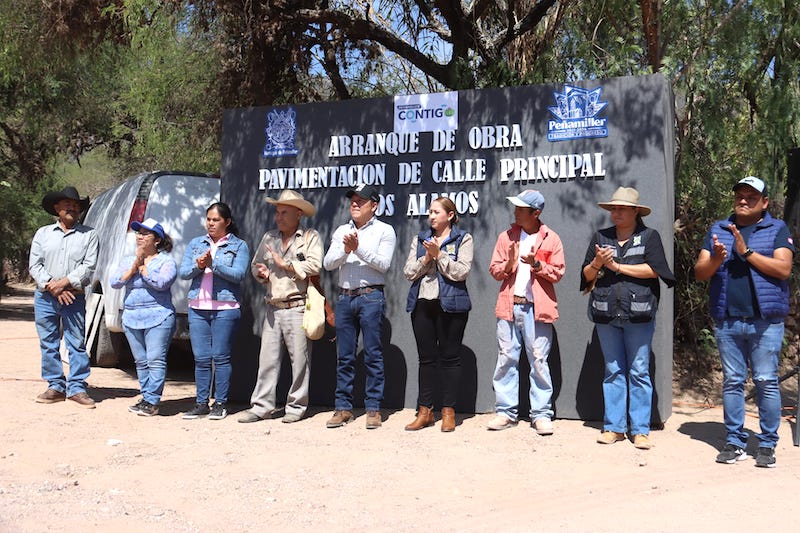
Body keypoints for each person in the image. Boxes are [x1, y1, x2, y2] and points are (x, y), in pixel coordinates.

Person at [694, 176, 793, 468]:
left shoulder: (776, 228)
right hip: (728, 320)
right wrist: (717, 258)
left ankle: (767, 444)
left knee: (766, 381)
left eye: (751, 196)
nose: (744, 200)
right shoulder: (718, 229)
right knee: (733, 381)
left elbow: (783, 268)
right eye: (740, 194)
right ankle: (735, 441)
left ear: (764, 203)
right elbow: (701, 271)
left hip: (765, 322)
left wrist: (746, 253)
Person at [581, 186, 675, 450]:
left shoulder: (649, 237)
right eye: (613, 208)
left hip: (639, 315)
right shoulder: (600, 237)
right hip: (606, 314)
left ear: (635, 211)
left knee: (639, 371)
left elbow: (655, 271)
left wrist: (617, 267)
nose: (616, 212)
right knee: (613, 371)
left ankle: (641, 430)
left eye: (622, 208)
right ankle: (614, 427)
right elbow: (586, 276)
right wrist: (598, 263)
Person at [238, 190, 323, 424]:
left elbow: (316, 265)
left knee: (300, 362)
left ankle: (296, 407)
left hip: (297, 306)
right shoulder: (269, 237)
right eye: (277, 212)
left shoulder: (309, 236)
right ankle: (261, 406)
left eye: (284, 212)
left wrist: (285, 264)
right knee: (267, 361)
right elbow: (256, 265)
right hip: (273, 307)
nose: (279, 217)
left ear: (298, 214)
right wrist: (262, 273)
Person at [487, 190, 565, 434]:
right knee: (506, 359)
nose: (515, 212)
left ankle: (541, 414)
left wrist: (537, 265)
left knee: (539, 361)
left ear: (535, 213)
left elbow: (558, 272)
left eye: (521, 208)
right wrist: (509, 265)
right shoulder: (506, 236)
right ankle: (505, 412)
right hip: (509, 307)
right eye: (516, 207)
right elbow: (494, 269)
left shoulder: (551, 238)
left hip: (537, 309)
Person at [323, 184, 396, 429]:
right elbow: (328, 263)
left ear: (374, 206)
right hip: (344, 298)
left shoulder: (385, 230)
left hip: (371, 297)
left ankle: (373, 409)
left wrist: (358, 249)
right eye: (353, 200)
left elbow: (383, 264)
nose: (355, 204)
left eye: (361, 201)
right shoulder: (342, 230)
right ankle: (342, 408)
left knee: (373, 355)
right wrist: (345, 250)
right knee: (344, 357)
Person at [403, 196, 473, 432]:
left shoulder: (463, 238)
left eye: (436, 212)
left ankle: (448, 412)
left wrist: (440, 255)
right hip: (423, 303)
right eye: (430, 212)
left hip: (452, 305)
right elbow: (408, 272)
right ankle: (425, 411)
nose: (431, 216)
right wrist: (426, 257)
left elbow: (461, 272)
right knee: (426, 359)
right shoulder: (420, 238)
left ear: (450, 215)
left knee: (450, 358)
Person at [179, 202, 250, 420]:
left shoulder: (239, 246)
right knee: (201, 358)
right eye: (208, 219)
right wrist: (199, 266)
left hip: (225, 307)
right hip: (198, 307)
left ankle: (220, 402)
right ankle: (201, 403)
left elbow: (238, 275)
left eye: (216, 220)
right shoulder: (196, 244)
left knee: (220, 357)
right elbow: (183, 273)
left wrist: (214, 264)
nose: (211, 223)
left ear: (227, 222)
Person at [29, 186, 99, 408]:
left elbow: (88, 267)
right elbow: (35, 264)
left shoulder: (89, 235)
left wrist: (64, 284)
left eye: (76, 204)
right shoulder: (43, 233)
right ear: (56, 208)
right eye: (67, 203)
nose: (72, 207)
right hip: (45, 297)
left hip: (73, 296)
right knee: (48, 342)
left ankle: (77, 387)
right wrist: (52, 286)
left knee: (76, 342)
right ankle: (56, 386)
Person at [110, 218, 177, 417]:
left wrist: (143, 269)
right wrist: (133, 265)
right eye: (138, 233)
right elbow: (115, 282)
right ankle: (146, 396)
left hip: (158, 316)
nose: (140, 237)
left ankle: (152, 400)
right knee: (140, 361)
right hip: (132, 317)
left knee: (155, 359)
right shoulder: (127, 260)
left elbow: (162, 283)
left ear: (157, 240)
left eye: (145, 234)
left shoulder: (166, 261)